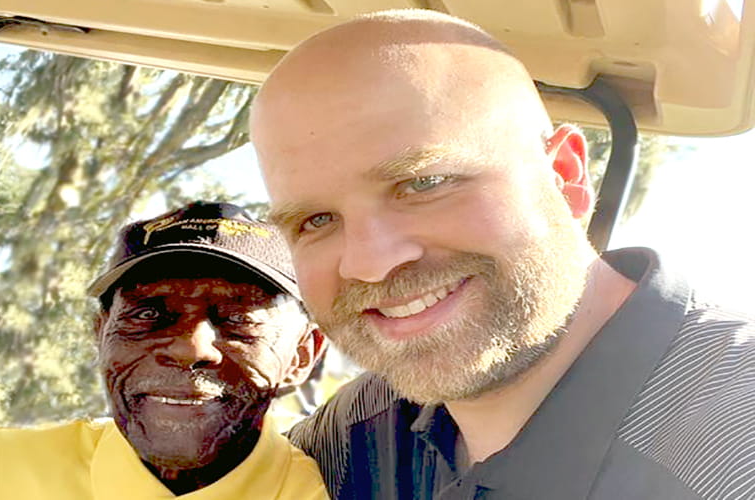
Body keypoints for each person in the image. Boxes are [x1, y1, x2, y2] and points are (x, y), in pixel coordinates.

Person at [248, 9, 755, 500]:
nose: (370, 262)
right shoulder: (359, 432)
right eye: (314, 221)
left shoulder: (732, 446)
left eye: (424, 183)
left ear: (565, 177)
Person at [0, 201, 329, 499]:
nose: (190, 348)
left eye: (238, 318)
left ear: (302, 355)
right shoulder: (6, 469)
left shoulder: (329, 492)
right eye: (148, 314)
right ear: (102, 336)